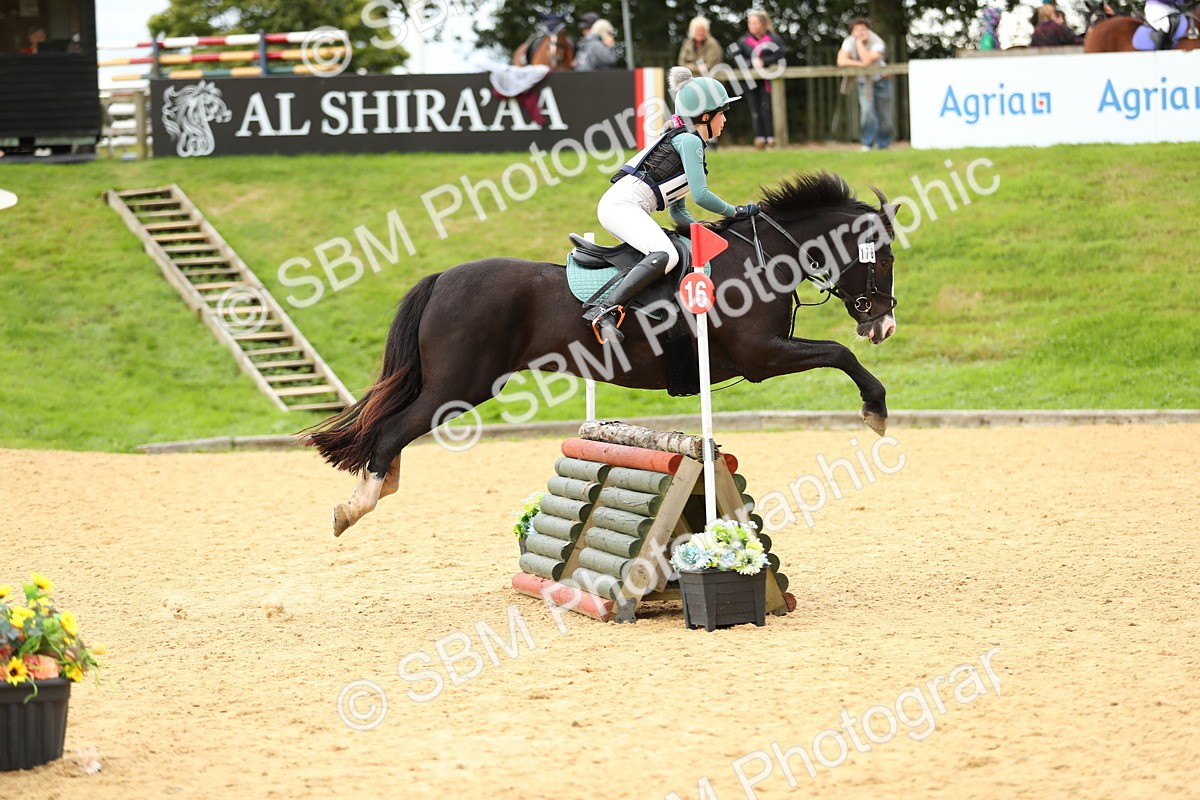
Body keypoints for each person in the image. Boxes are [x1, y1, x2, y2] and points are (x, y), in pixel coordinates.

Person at [584, 67, 760, 344]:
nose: (725, 120)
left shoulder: (687, 141)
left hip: (627, 206)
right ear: (705, 116)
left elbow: (678, 210)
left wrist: (705, 230)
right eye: (722, 113)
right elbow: (702, 195)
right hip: (622, 206)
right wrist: (734, 211)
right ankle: (604, 311)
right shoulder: (689, 141)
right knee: (667, 254)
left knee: (673, 250)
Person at [732, 9, 787, 149]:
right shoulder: (743, 41)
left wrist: (764, 61)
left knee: (767, 108)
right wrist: (750, 63)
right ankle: (759, 138)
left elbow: (780, 55)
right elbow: (735, 56)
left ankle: (771, 137)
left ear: (763, 24)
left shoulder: (774, 39)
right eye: (750, 23)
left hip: (769, 81)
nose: (752, 25)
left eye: (755, 23)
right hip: (750, 81)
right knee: (755, 110)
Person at [836, 18, 892, 152]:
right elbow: (841, 61)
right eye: (857, 30)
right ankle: (867, 144)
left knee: (885, 116)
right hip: (864, 83)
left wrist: (860, 45)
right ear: (852, 32)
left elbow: (868, 60)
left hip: (881, 81)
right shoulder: (848, 42)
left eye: (863, 29)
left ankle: (883, 145)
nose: (861, 32)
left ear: (868, 30)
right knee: (867, 112)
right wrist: (860, 65)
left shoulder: (877, 41)